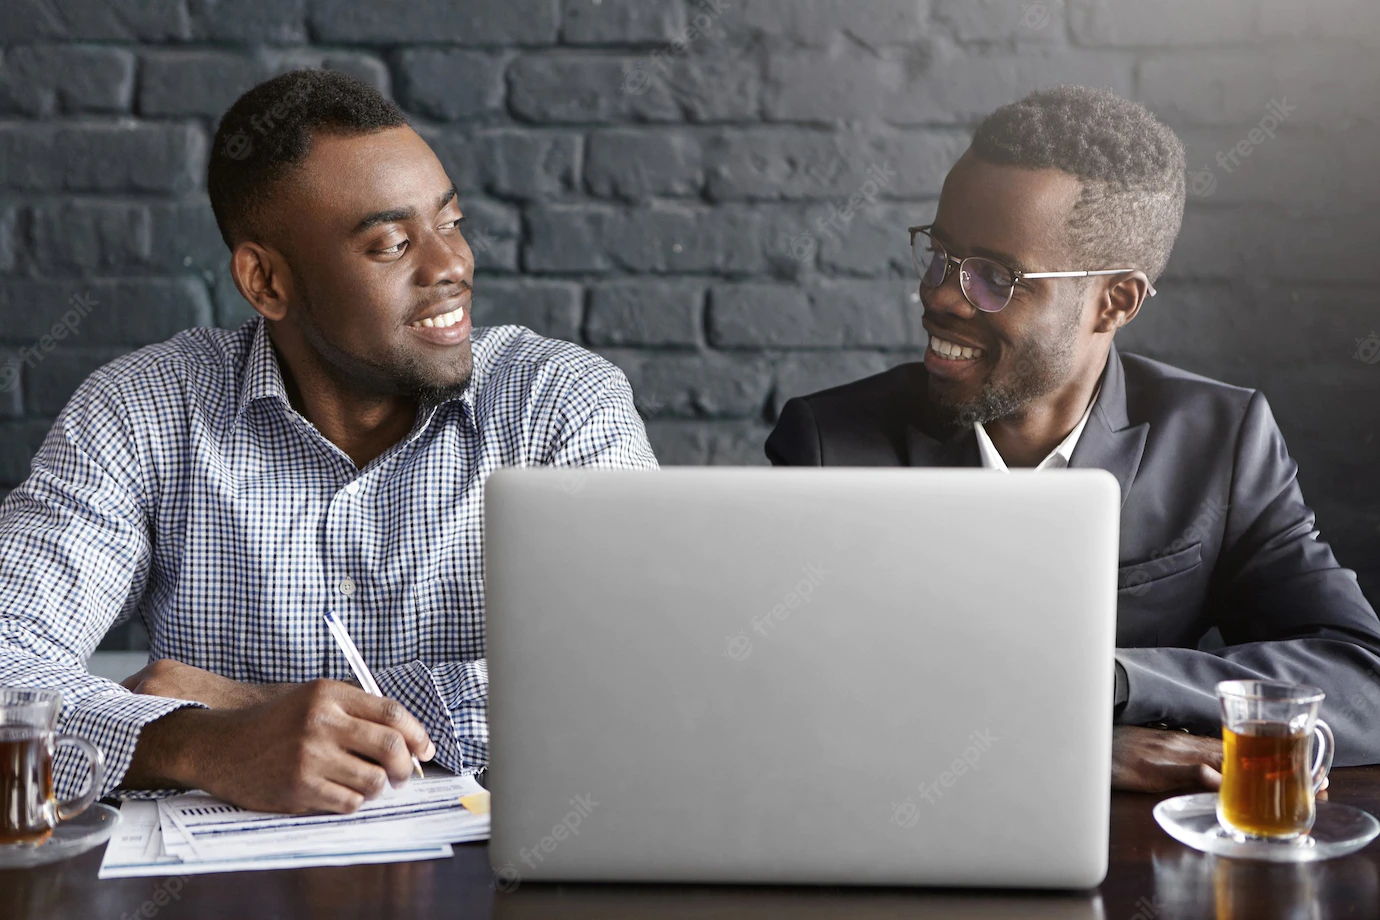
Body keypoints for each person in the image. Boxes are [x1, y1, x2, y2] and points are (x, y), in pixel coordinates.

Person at [0, 70, 657, 814]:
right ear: (266, 281)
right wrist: (198, 743)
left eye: (451, 221)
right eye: (391, 243)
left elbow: (643, 673)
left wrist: (252, 708)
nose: (451, 266)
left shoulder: (559, 404)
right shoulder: (142, 411)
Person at [765, 85, 1380, 791]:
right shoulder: (827, 444)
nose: (938, 295)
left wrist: (1110, 685)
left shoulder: (1220, 442)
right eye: (940, 254)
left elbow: (1360, 681)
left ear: (1115, 302)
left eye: (994, 277)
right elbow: (788, 699)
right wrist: (1064, 747)